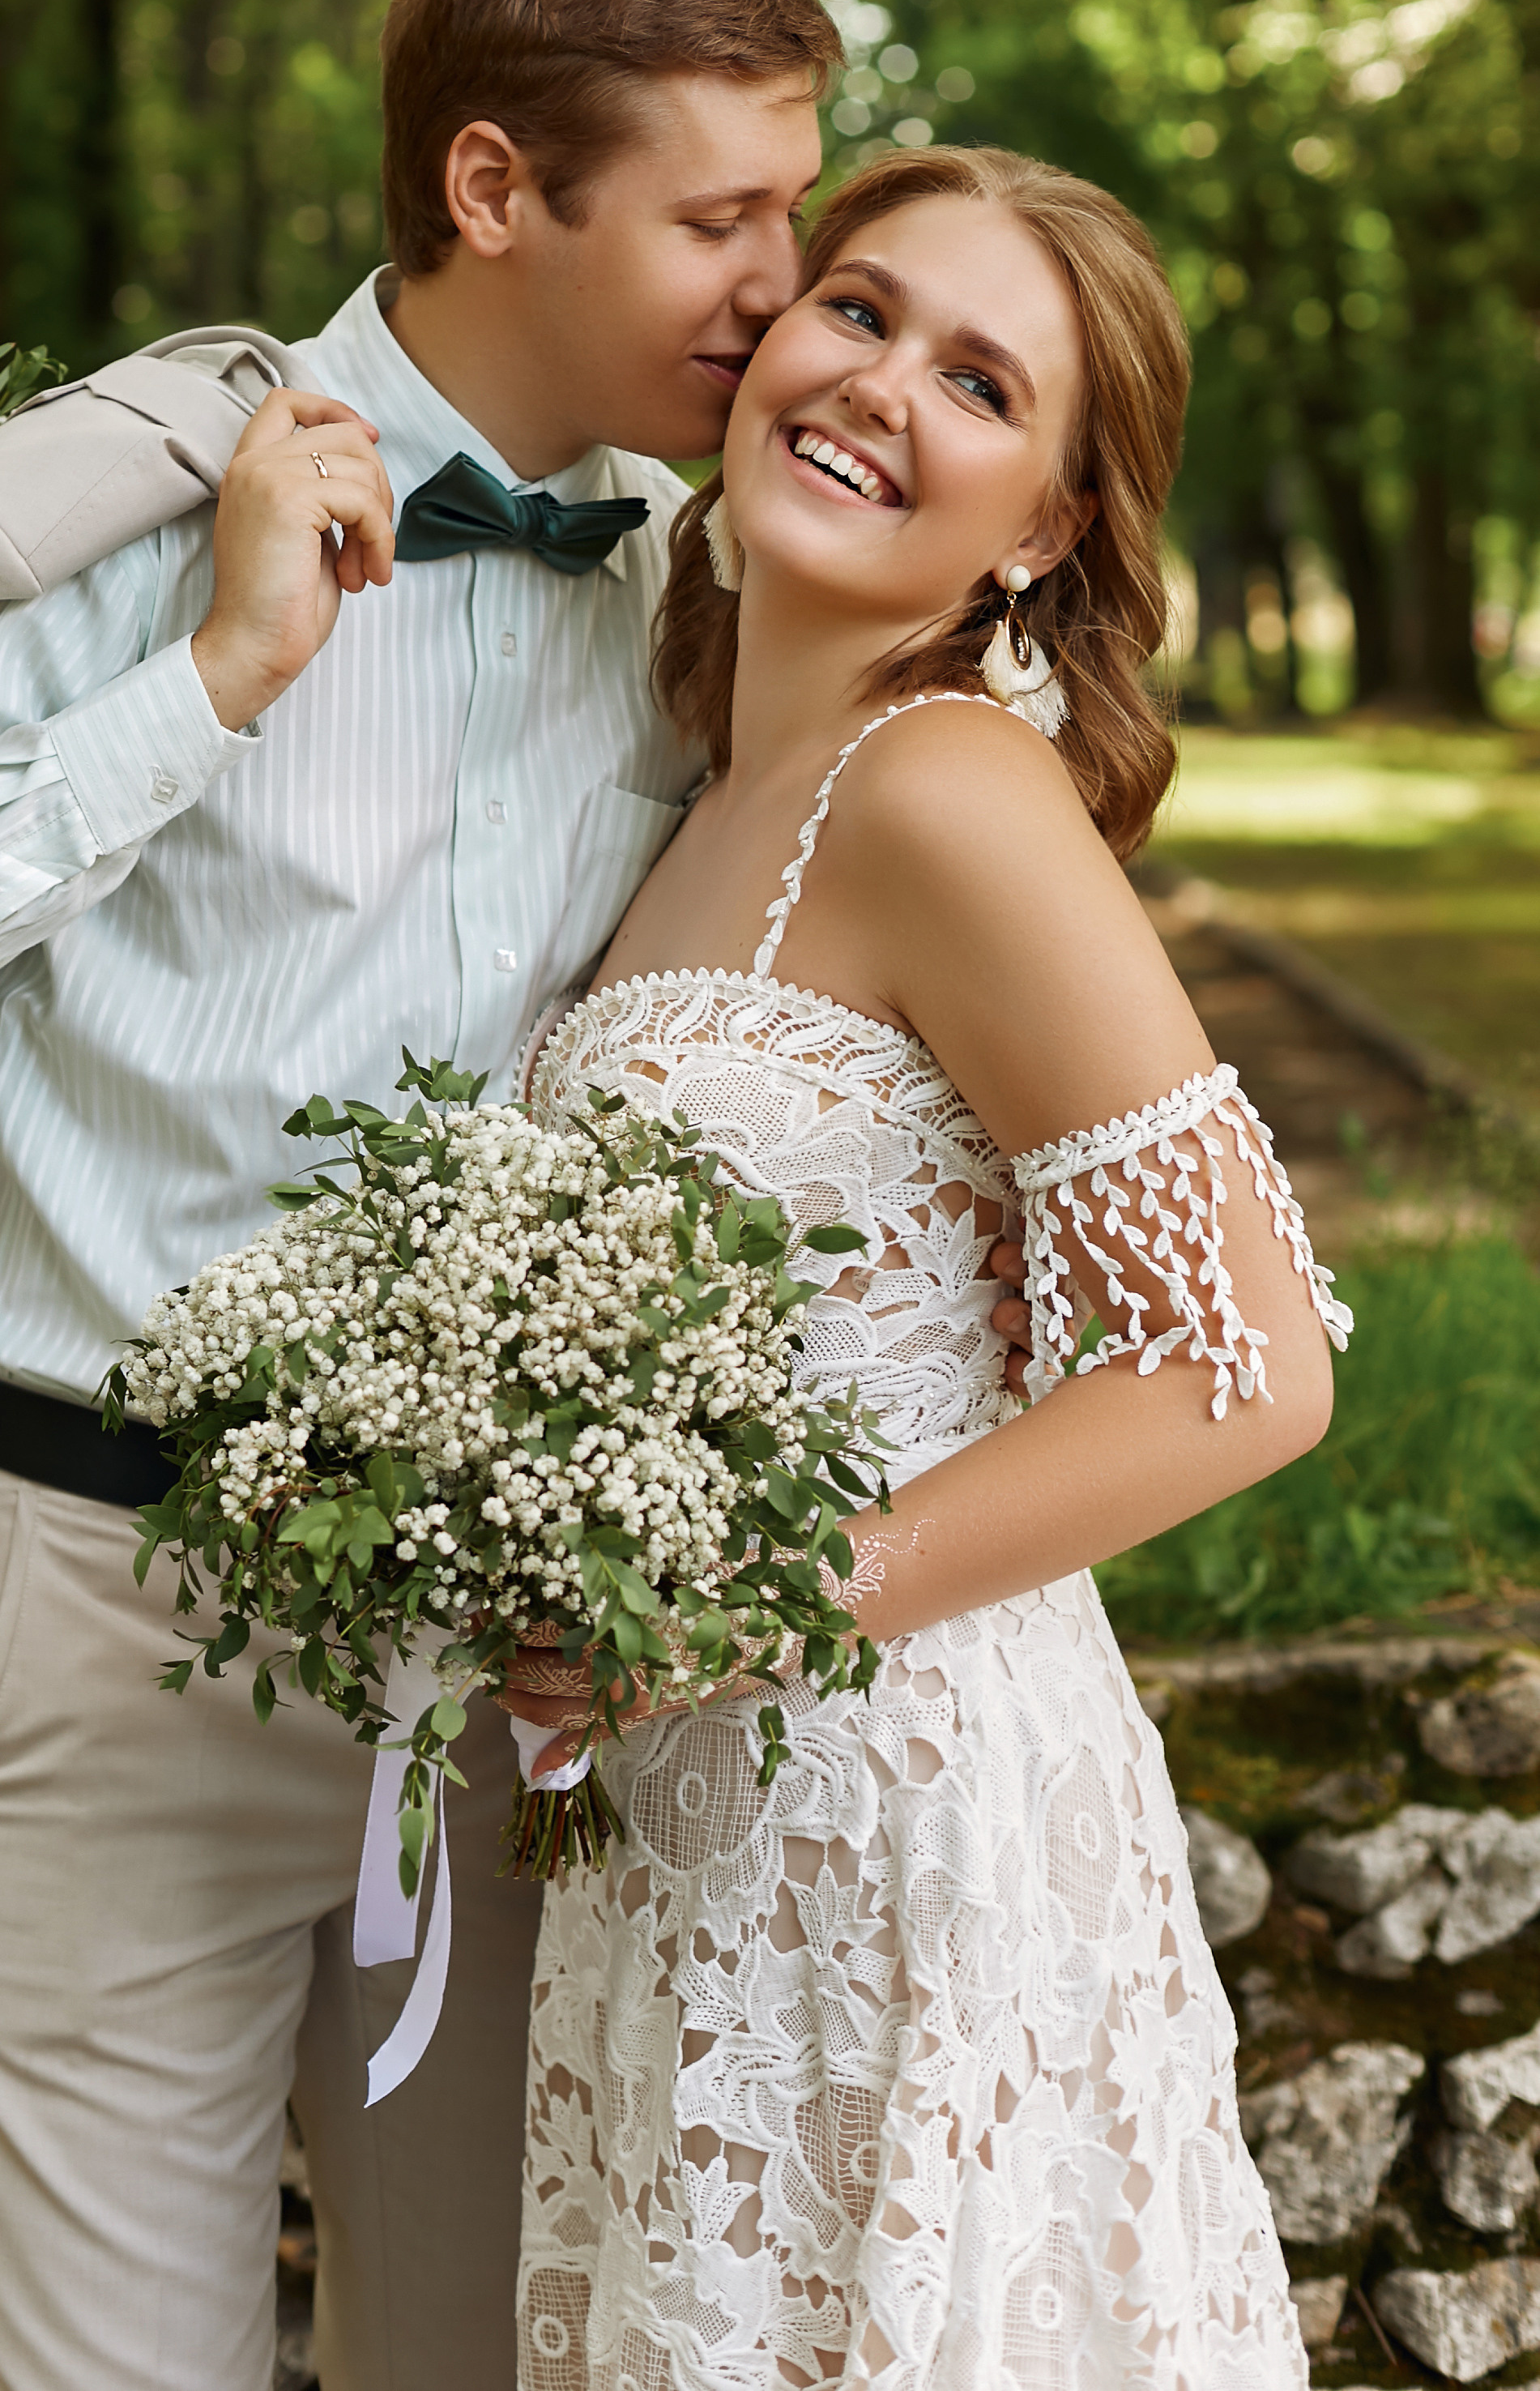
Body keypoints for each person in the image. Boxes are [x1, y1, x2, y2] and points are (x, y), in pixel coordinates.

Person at [0, 0, 1029, 2391]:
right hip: (100, 1598)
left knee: (515, 2355)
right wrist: (209, 675)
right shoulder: (125, 504)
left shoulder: (714, 576)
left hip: (527, 1675)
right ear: (499, 187)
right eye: (726, 215)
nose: (776, 278)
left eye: (792, 211)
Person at [506, 145, 1346, 2389]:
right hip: (686, 1861)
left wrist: (757, 1605)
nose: (880, 384)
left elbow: (1243, 1359)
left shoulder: (951, 791)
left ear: (1047, 525)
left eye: (980, 380)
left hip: (901, 1832)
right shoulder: (704, 797)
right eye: (859, 310)